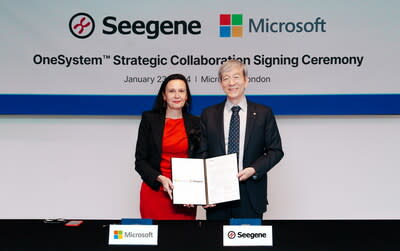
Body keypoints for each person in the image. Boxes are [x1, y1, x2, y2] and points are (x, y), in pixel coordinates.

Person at [199, 60, 284, 220]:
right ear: (220, 83)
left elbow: (276, 151)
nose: (231, 83)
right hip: (217, 194)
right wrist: (205, 191)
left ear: (246, 80)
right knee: (215, 243)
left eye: (236, 77)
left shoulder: (263, 113)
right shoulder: (208, 114)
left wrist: (254, 169)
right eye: (226, 78)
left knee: (248, 244)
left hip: (250, 191)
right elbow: (201, 153)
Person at [135, 74, 200, 220]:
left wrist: (195, 190)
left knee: (182, 239)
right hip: (155, 190)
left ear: (187, 96)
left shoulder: (197, 122)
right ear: (164, 96)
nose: (177, 95)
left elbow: (200, 159)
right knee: (155, 240)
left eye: (181, 91)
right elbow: (140, 161)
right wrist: (161, 179)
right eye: (171, 91)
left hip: (185, 193)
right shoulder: (149, 119)